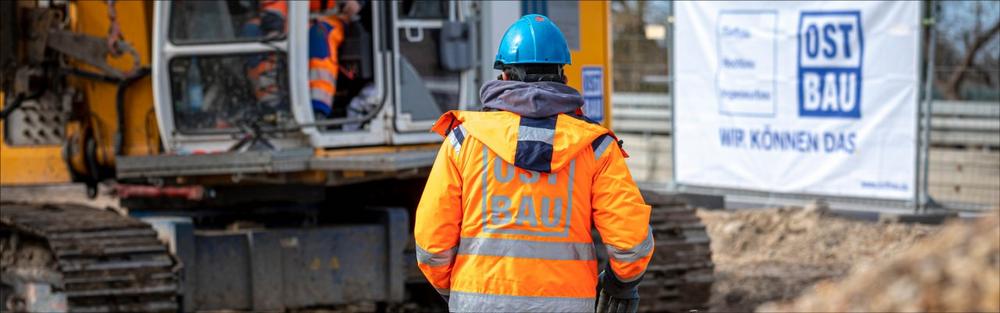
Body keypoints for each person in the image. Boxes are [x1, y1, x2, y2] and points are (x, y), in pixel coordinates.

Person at [414, 14, 653, 313]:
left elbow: (432, 245)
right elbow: (630, 244)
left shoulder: (463, 141)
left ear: (503, 76)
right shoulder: (596, 147)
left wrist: (463, 293)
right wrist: (620, 284)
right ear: (563, 75)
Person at [308, 0, 361, 119]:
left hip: (336, 18)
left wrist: (358, 3)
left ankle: (318, 108)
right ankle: (270, 105)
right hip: (293, 21)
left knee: (320, 35)